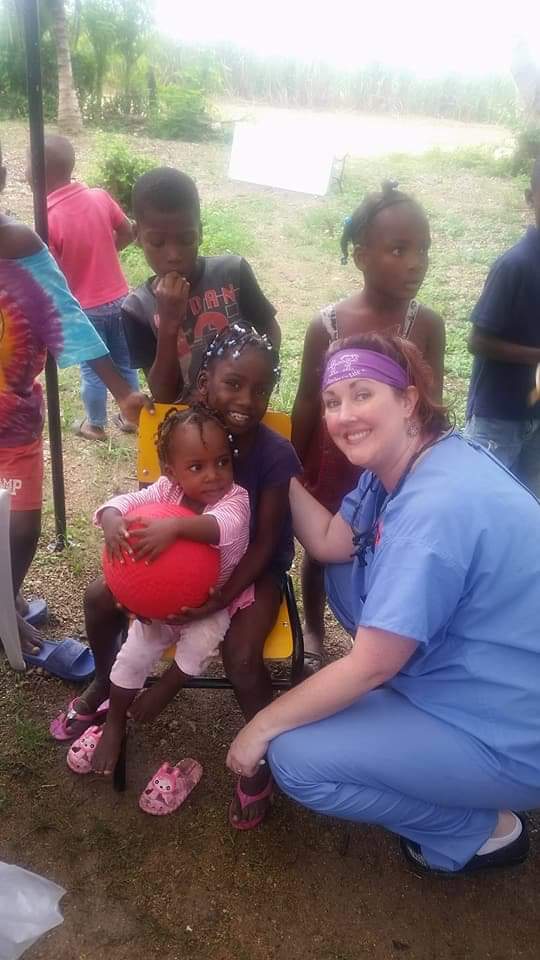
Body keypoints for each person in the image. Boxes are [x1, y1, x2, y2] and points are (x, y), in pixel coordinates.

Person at [227, 332, 540, 875]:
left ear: (409, 399)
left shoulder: (431, 513)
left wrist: (259, 726)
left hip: (509, 732)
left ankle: (484, 831)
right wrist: (274, 460)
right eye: (332, 401)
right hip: (477, 676)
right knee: (351, 568)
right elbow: (329, 541)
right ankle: (417, 716)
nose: (344, 415)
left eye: (363, 393)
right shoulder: (410, 463)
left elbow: (369, 665)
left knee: (295, 759)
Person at [52, 325, 301, 828]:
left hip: (250, 573)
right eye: (234, 384)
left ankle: (261, 755)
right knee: (100, 595)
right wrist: (132, 572)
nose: (247, 400)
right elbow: (148, 506)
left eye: (261, 389)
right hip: (179, 574)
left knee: (241, 655)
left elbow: (265, 543)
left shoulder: (273, 455)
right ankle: (107, 684)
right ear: (205, 383)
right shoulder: (187, 431)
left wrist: (218, 599)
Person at [0, 139, 150, 656]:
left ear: (2, 179)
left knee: (22, 525)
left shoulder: (18, 244)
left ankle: (5, 598)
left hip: (12, 421)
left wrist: (123, 393)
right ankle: (2, 609)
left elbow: (66, 317)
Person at [292, 181, 444, 663]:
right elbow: (305, 401)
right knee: (321, 550)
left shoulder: (426, 324)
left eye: (423, 249)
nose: (415, 262)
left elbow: (430, 402)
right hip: (335, 460)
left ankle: (374, 638)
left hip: (397, 467)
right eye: (399, 250)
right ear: (360, 257)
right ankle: (314, 633)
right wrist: (297, 468)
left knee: (390, 548)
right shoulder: (328, 326)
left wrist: (427, 464)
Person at [67, 407, 251, 790]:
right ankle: (115, 721)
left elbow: (223, 527)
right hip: (159, 608)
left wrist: (176, 527)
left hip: (209, 603)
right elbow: (123, 502)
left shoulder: (236, 499)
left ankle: (167, 687)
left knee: (203, 639)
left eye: (222, 462)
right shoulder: (166, 491)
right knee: (133, 651)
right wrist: (114, 519)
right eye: (197, 467)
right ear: (170, 470)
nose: (214, 475)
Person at [120, 166, 281, 402]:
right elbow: (163, 394)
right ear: (137, 236)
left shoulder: (233, 272)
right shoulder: (137, 309)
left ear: (201, 232)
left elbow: (269, 328)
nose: (173, 254)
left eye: (186, 239)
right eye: (157, 242)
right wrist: (168, 323)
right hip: (188, 430)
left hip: (244, 411)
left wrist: (262, 380)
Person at [36, 134, 140, 442]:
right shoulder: (99, 196)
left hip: (85, 309)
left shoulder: (48, 218)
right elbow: (127, 231)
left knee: (93, 370)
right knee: (125, 361)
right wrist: (108, 251)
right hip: (122, 299)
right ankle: (130, 417)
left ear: (37, 174)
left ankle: (95, 424)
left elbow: (50, 273)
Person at [465, 159, 540, 495]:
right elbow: (478, 341)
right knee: (484, 499)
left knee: (528, 505)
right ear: (530, 198)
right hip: (498, 417)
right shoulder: (515, 265)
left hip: (535, 415)